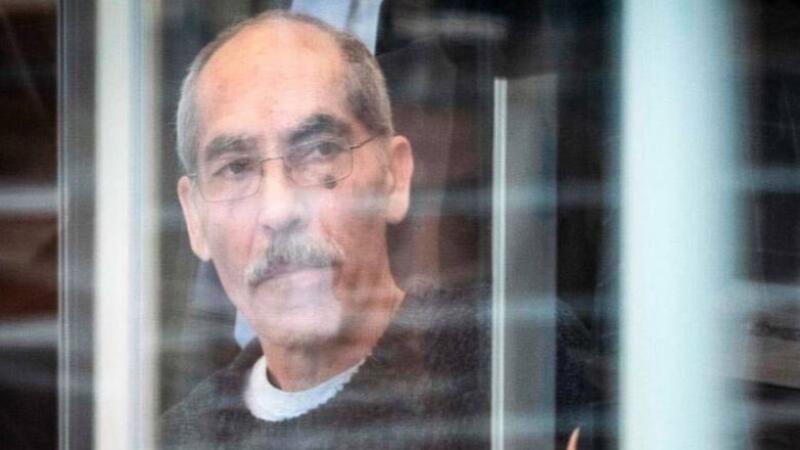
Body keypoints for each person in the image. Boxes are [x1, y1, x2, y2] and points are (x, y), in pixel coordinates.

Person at [162, 10, 590, 449]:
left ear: (395, 176)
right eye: (236, 168)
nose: (279, 209)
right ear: (194, 217)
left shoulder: (515, 352)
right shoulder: (174, 439)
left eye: (320, 151)